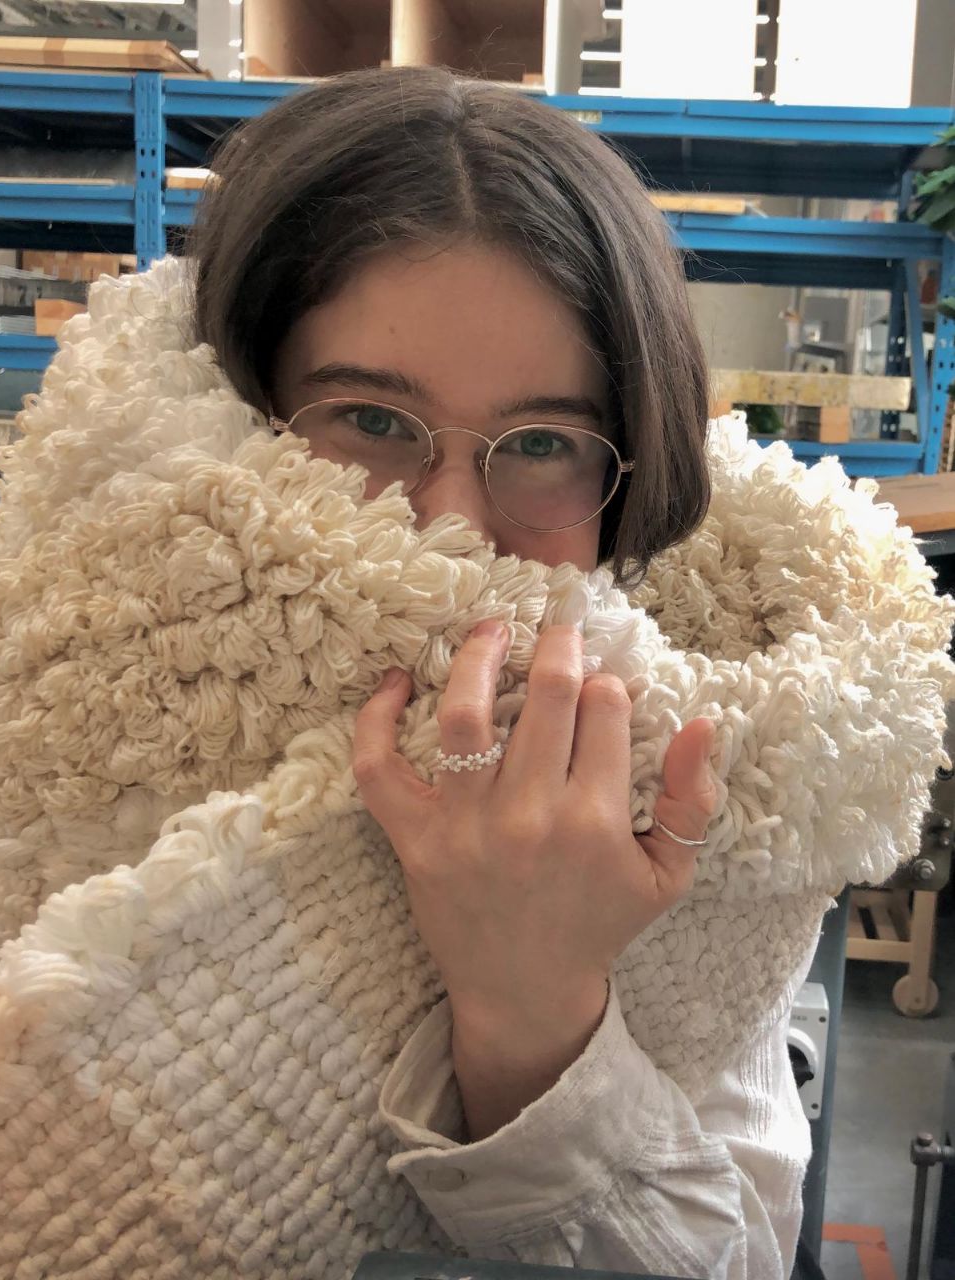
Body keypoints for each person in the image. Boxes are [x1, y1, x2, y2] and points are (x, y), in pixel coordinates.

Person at [188, 65, 818, 1277]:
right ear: (231, 410)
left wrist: (535, 1017)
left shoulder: (713, 781)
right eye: (369, 419)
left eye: (541, 444)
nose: (454, 528)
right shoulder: (60, 703)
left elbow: (738, 1250)